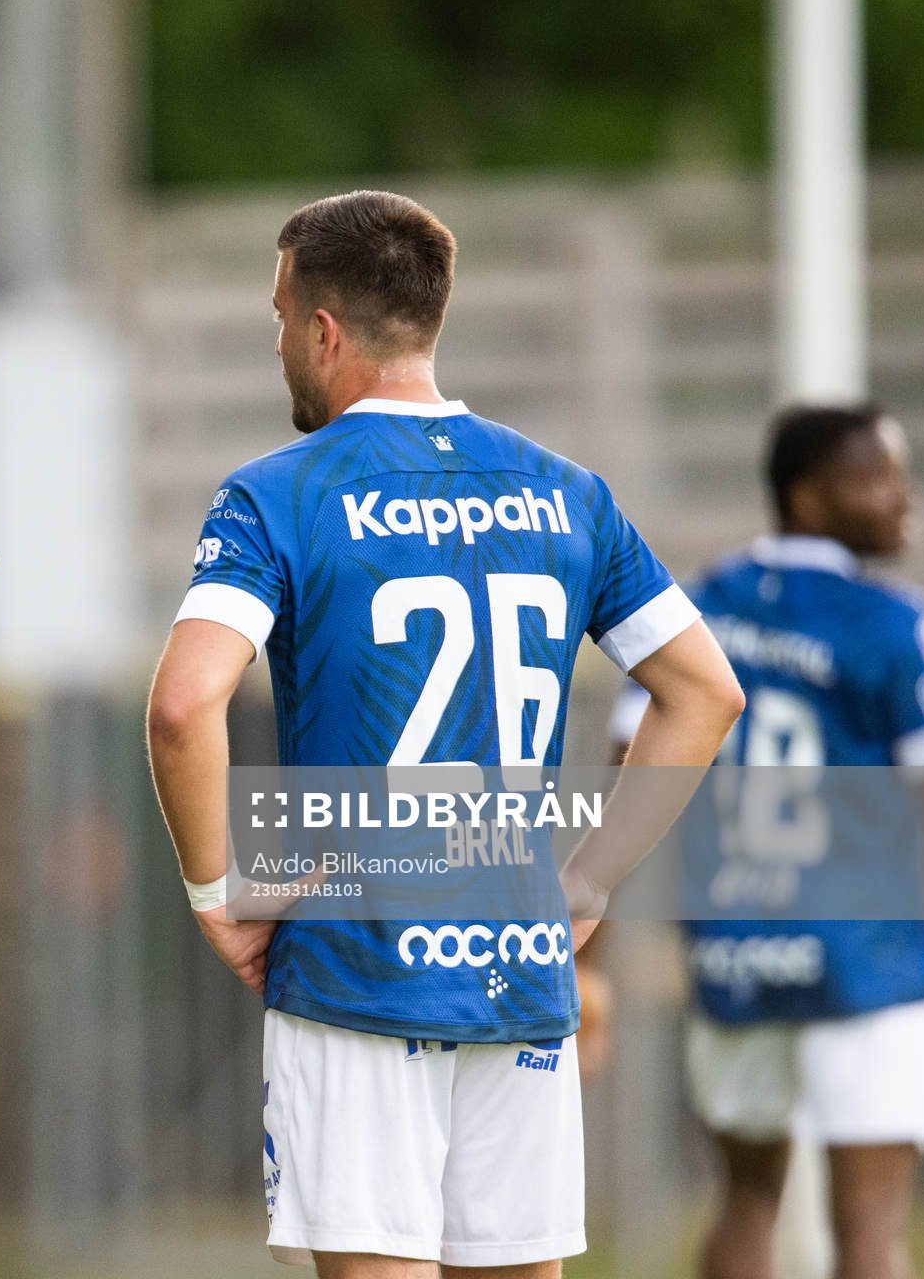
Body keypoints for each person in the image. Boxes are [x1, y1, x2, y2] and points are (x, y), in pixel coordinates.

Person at [145, 190, 743, 1277]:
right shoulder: (567, 494)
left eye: (280, 316)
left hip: (355, 962)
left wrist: (216, 892)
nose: (278, 341)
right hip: (516, 964)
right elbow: (705, 691)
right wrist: (592, 879)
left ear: (322, 329)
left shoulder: (275, 494)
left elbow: (184, 705)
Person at [604, 403, 924, 1279]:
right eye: (878, 476)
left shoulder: (699, 605)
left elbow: (634, 764)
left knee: (744, 1204)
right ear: (809, 499)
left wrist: (592, 927)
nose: (904, 496)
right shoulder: (891, 620)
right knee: (872, 1237)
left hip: (739, 949)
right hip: (869, 958)